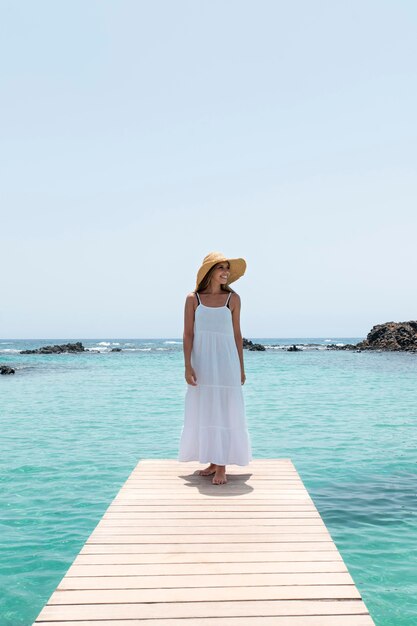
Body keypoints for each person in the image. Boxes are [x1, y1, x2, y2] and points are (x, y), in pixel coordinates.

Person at [178, 251, 252, 485]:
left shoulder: (233, 299)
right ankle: (212, 461)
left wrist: (241, 367)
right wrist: (187, 365)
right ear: (210, 271)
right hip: (203, 362)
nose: (225, 272)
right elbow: (188, 334)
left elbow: (237, 335)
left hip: (226, 362)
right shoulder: (193, 299)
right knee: (207, 409)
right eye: (221, 268)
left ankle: (222, 467)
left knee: (224, 409)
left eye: (227, 268)